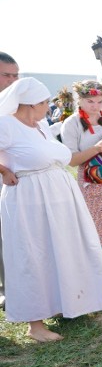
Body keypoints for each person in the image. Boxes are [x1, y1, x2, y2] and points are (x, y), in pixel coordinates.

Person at [0, 77, 102, 341]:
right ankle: (35, 325)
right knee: (32, 253)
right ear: (31, 103)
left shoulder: (40, 125)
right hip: (28, 197)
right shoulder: (6, 124)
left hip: (59, 194)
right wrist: (4, 170)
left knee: (62, 248)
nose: (48, 107)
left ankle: (66, 304)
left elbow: (63, 156)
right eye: (45, 102)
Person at [61, 80, 102, 246]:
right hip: (93, 180)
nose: (95, 106)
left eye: (100, 102)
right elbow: (71, 160)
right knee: (95, 236)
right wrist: (96, 149)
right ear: (80, 100)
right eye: (90, 102)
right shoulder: (72, 123)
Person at [0, 51, 20, 311]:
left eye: (17, 75)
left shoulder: (14, 107)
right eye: (7, 75)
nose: (13, 81)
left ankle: (8, 290)